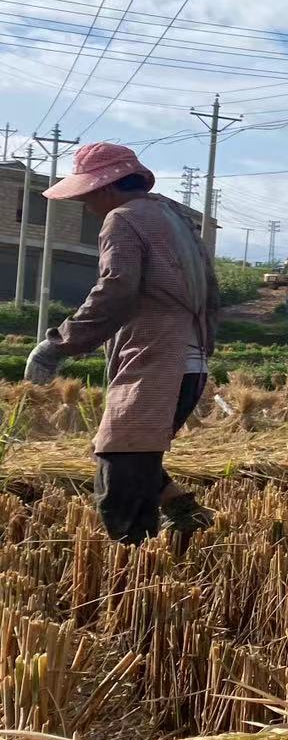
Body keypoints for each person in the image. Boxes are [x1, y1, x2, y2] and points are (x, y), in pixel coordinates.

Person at [24, 143, 219, 545]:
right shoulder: (174, 218)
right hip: (189, 363)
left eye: (86, 195)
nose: (85, 205)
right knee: (130, 453)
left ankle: (135, 573)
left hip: (157, 363)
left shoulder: (123, 219)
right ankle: (186, 515)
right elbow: (211, 296)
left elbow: (116, 289)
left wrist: (60, 343)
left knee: (119, 472)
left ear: (105, 187)